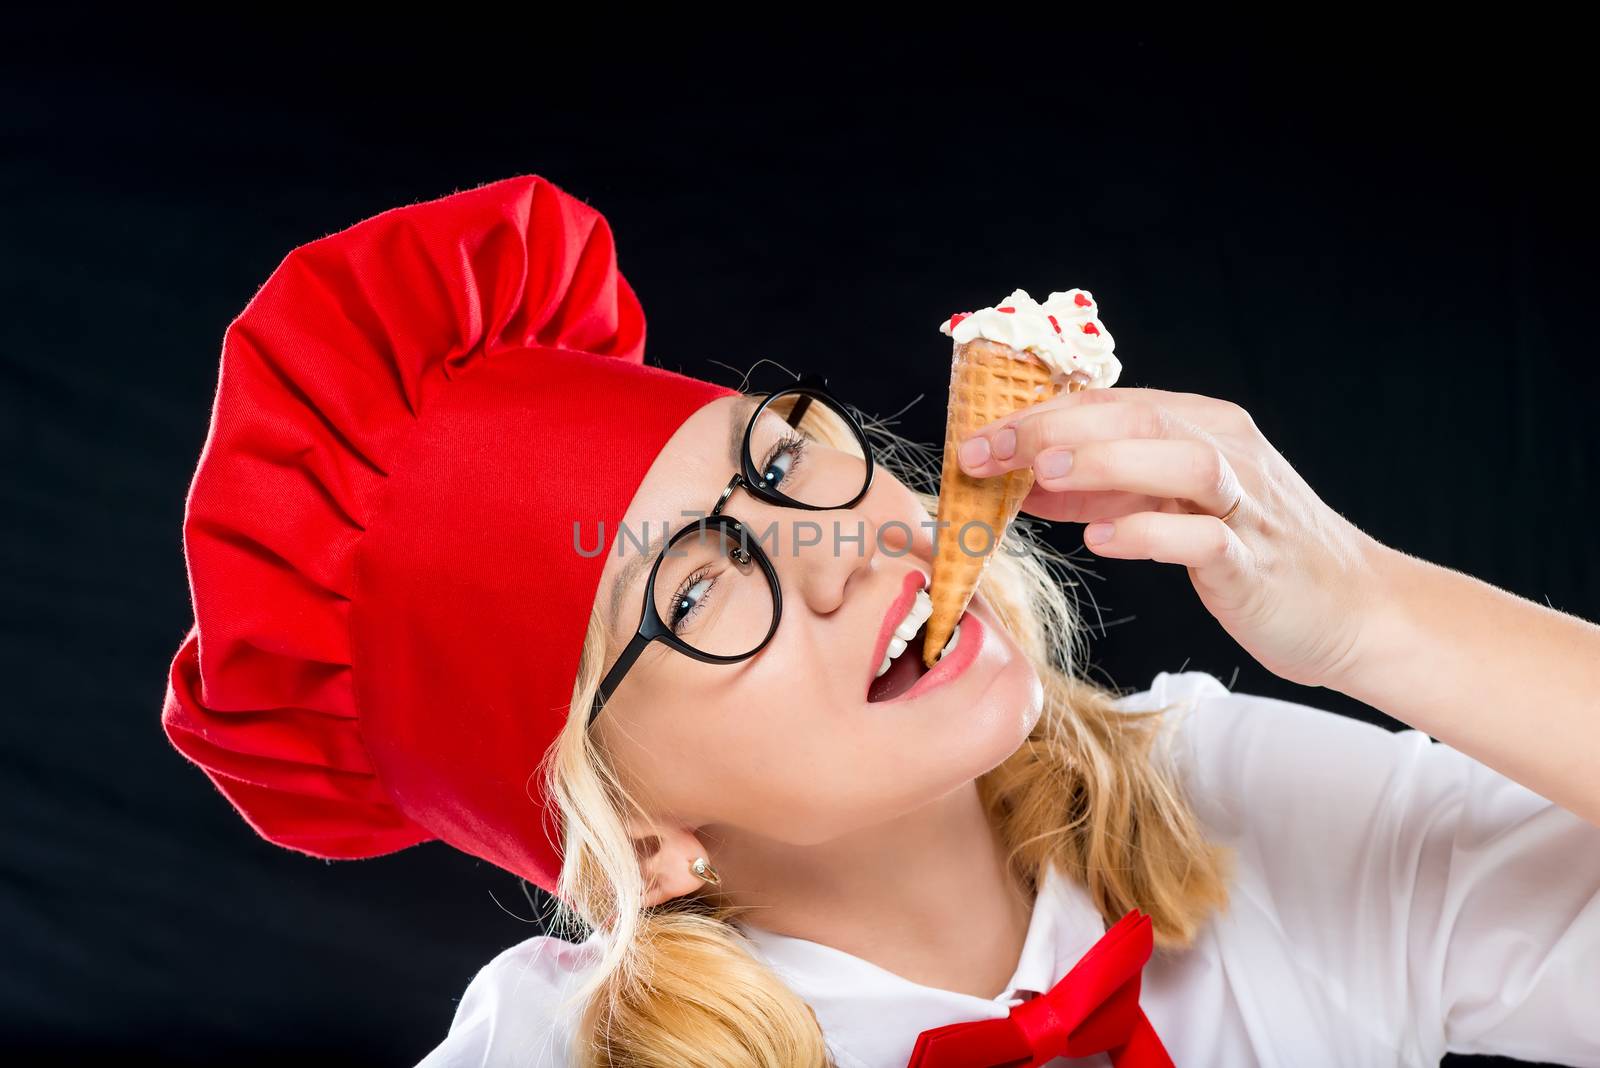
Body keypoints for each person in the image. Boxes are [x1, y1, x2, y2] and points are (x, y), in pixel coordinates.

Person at [160, 174, 1600, 1068]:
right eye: (700, 587)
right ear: (640, 838)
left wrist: (1368, 619)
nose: (840, 547)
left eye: (782, 460)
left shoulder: (1225, 804)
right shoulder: (557, 1049)